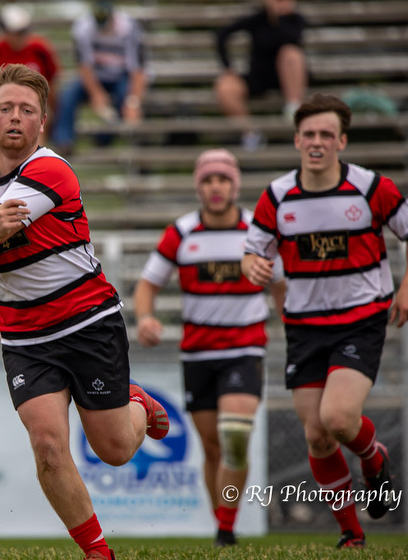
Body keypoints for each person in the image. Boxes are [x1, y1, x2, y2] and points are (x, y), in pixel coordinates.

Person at [0, 63, 168, 560]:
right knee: (50, 449)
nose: (16, 117)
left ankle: (134, 404)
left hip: (87, 323)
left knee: (115, 450)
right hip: (24, 337)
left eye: (26, 110)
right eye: (5, 108)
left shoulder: (51, 169)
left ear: (43, 122)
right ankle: (98, 553)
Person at [241, 93, 408, 549]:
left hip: (360, 319)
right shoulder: (278, 195)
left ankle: (372, 456)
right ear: (297, 140)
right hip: (304, 327)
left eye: (327, 134)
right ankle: (352, 533)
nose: (317, 141)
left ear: (342, 141)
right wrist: (252, 265)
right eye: (309, 134)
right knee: (318, 435)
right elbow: (253, 251)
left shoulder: (369, 188)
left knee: (339, 417)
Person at [133, 148, 285, 547]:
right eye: (207, 180)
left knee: (235, 436)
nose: (215, 187)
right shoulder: (182, 232)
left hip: (244, 347)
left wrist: (294, 329)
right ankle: (222, 522)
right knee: (213, 448)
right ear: (198, 186)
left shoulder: (258, 232)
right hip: (198, 354)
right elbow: (148, 285)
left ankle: (226, 529)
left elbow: (281, 286)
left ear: (234, 184)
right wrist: (146, 317)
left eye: (222, 179)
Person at [0, 3, 61, 162]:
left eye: (24, 32)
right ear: (4, 31)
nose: (20, 37)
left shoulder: (41, 50)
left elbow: (53, 86)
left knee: (34, 149)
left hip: (33, 109)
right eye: (16, 33)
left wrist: (53, 118)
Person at [51, 0, 147, 157]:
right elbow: (84, 65)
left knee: (126, 101)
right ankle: (64, 141)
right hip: (95, 77)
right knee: (67, 96)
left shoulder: (130, 27)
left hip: (121, 77)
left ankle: (107, 139)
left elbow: (137, 68)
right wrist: (96, 93)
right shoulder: (83, 27)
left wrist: (133, 101)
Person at [213, 0, 308, 151]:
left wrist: (279, 19)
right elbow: (223, 34)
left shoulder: (296, 20)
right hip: (258, 77)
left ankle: (293, 107)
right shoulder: (257, 20)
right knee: (225, 86)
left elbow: (291, 39)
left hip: (287, 78)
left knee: (291, 54)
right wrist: (228, 67)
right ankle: (250, 134)